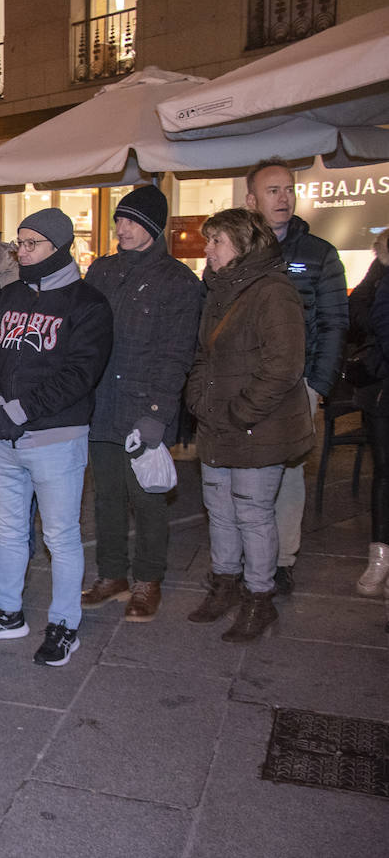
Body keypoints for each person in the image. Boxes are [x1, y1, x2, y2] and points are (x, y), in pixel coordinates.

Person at [0, 208, 113, 667]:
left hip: (55, 439)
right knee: (8, 531)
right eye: (18, 244)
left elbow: (80, 373)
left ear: (59, 247)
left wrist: (22, 411)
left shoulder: (88, 304)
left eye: (31, 244)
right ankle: (7, 613)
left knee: (61, 536)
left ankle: (65, 624)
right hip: (2, 438)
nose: (21, 252)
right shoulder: (7, 298)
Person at [185, 208, 313, 643]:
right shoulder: (219, 289)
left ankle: (260, 598)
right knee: (219, 510)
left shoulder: (273, 291)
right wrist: (199, 401)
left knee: (253, 514)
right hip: (217, 422)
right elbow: (203, 354)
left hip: (257, 426)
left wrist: (240, 412)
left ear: (242, 244)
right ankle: (225, 585)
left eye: (216, 240)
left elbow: (284, 367)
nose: (208, 249)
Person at [81, 186, 202, 622]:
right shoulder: (101, 270)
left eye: (132, 221)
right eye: (119, 220)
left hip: (141, 408)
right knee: (107, 496)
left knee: (147, 498)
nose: (122, 229)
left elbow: (176, 355)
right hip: (101, 405)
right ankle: (112, 574)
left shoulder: (179, 282)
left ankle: (148, 579)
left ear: (153, 226)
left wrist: (157, 415)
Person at [245, 159, 348, 595]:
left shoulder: (319, 253)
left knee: (288, 475)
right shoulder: (237, 249)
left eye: (288, 189)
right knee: (242, 473)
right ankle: (245, 560)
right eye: (273, 190)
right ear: (251, 200)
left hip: (296, 385)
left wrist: (318, 385)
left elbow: (335, 322)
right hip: (245, 385)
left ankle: (282, 560)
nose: (283, 197)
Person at [351, 228, 389, 599]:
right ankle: (380, 557)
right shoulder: (381, 267)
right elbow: (359, 309)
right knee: (384, 471)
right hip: (382, 387)